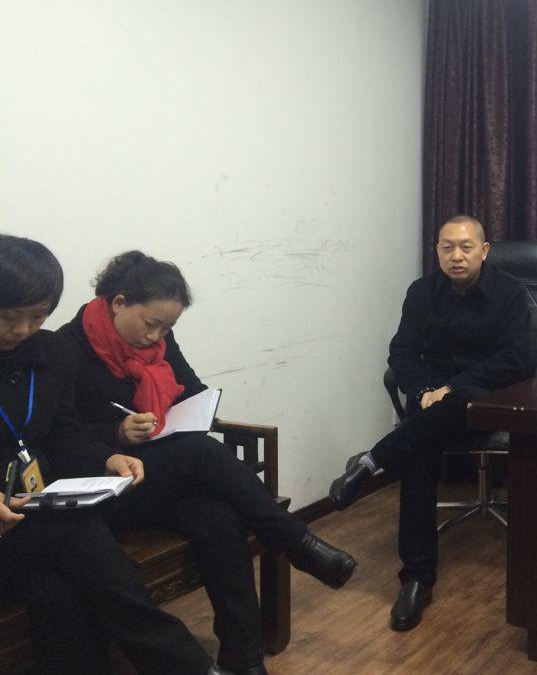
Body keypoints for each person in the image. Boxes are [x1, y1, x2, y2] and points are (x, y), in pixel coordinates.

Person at [57, 250, 358, 675]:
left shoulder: (159, 344)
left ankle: (244, 659)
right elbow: (59, 437)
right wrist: (116, 433)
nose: (156, 336)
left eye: (168, 328)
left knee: (217, 519)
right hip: (106, 488)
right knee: (199, 453)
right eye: (150, 324)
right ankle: (294, 541)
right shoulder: (64, 349)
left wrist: (193, 412)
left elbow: (192, 391)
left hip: (161, 476)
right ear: (119, 303)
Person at [0, 234, 221, 675]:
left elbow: (62, 434)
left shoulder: (49, 354)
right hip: (21, 527)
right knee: (76, 531)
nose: (22, 330)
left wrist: (106, 458)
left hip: (26, 522)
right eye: (8, 317)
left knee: (56, 593)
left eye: (38, 316)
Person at [328, 214, 535, 631]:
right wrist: (425, 389)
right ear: (437, 251)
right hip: (429, 404)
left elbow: (516, 359)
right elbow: (401, 353)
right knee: (419, 454)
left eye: (466, 247)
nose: (457, 256)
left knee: (444, 413)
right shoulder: (421, 292)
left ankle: (371, 461)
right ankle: (416, 580)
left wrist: (451, 388)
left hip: (482, 400)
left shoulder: (511, 293)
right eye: (447, 247)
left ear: (484, 251)